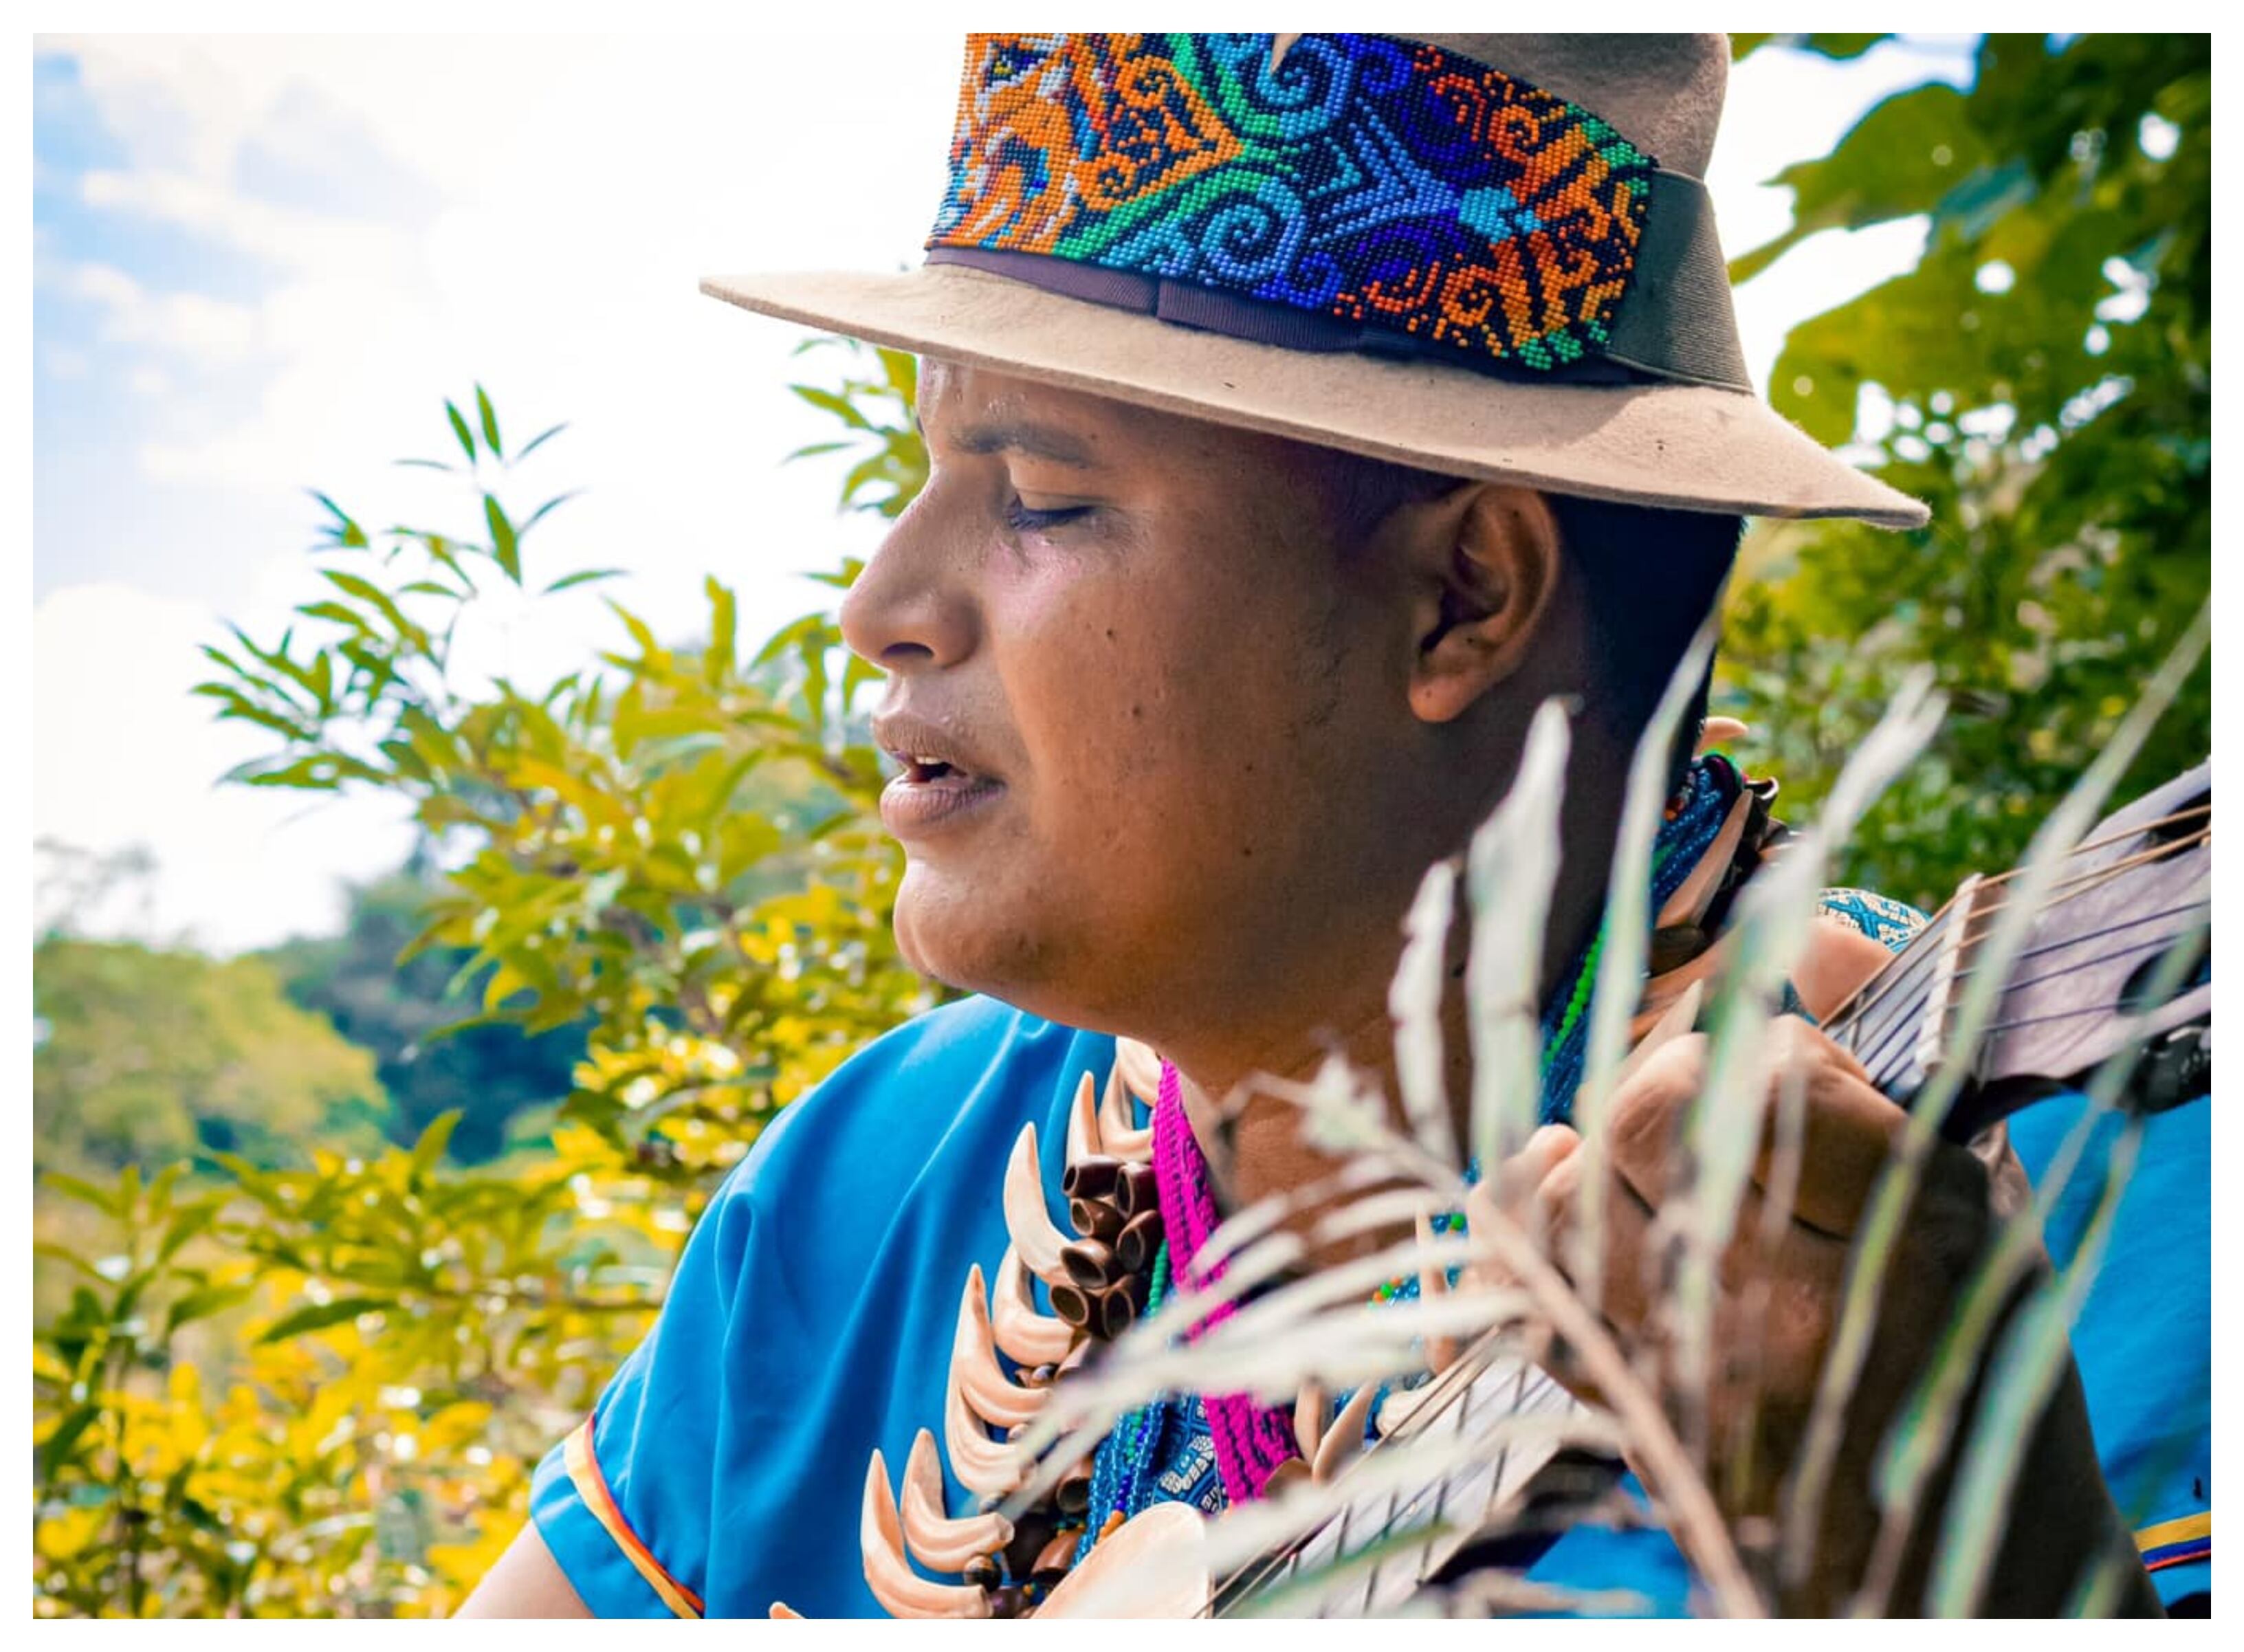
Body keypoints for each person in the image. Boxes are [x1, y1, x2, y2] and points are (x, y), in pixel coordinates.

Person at [458, 33, 2201, 1618]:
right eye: (918, 476)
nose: (881, 599)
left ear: (1463, 593)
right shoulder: (859, 1186)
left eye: (1043, 496)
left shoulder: (2122, 1221)